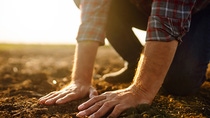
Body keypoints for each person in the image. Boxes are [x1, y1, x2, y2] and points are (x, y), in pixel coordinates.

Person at [39, 0, 210, 117]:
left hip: (200, 11)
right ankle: (134, 64)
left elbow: (167, 19)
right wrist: (80, 80)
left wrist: (141, 90)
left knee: (180, 82)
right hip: (145, 6)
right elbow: (93, 15)